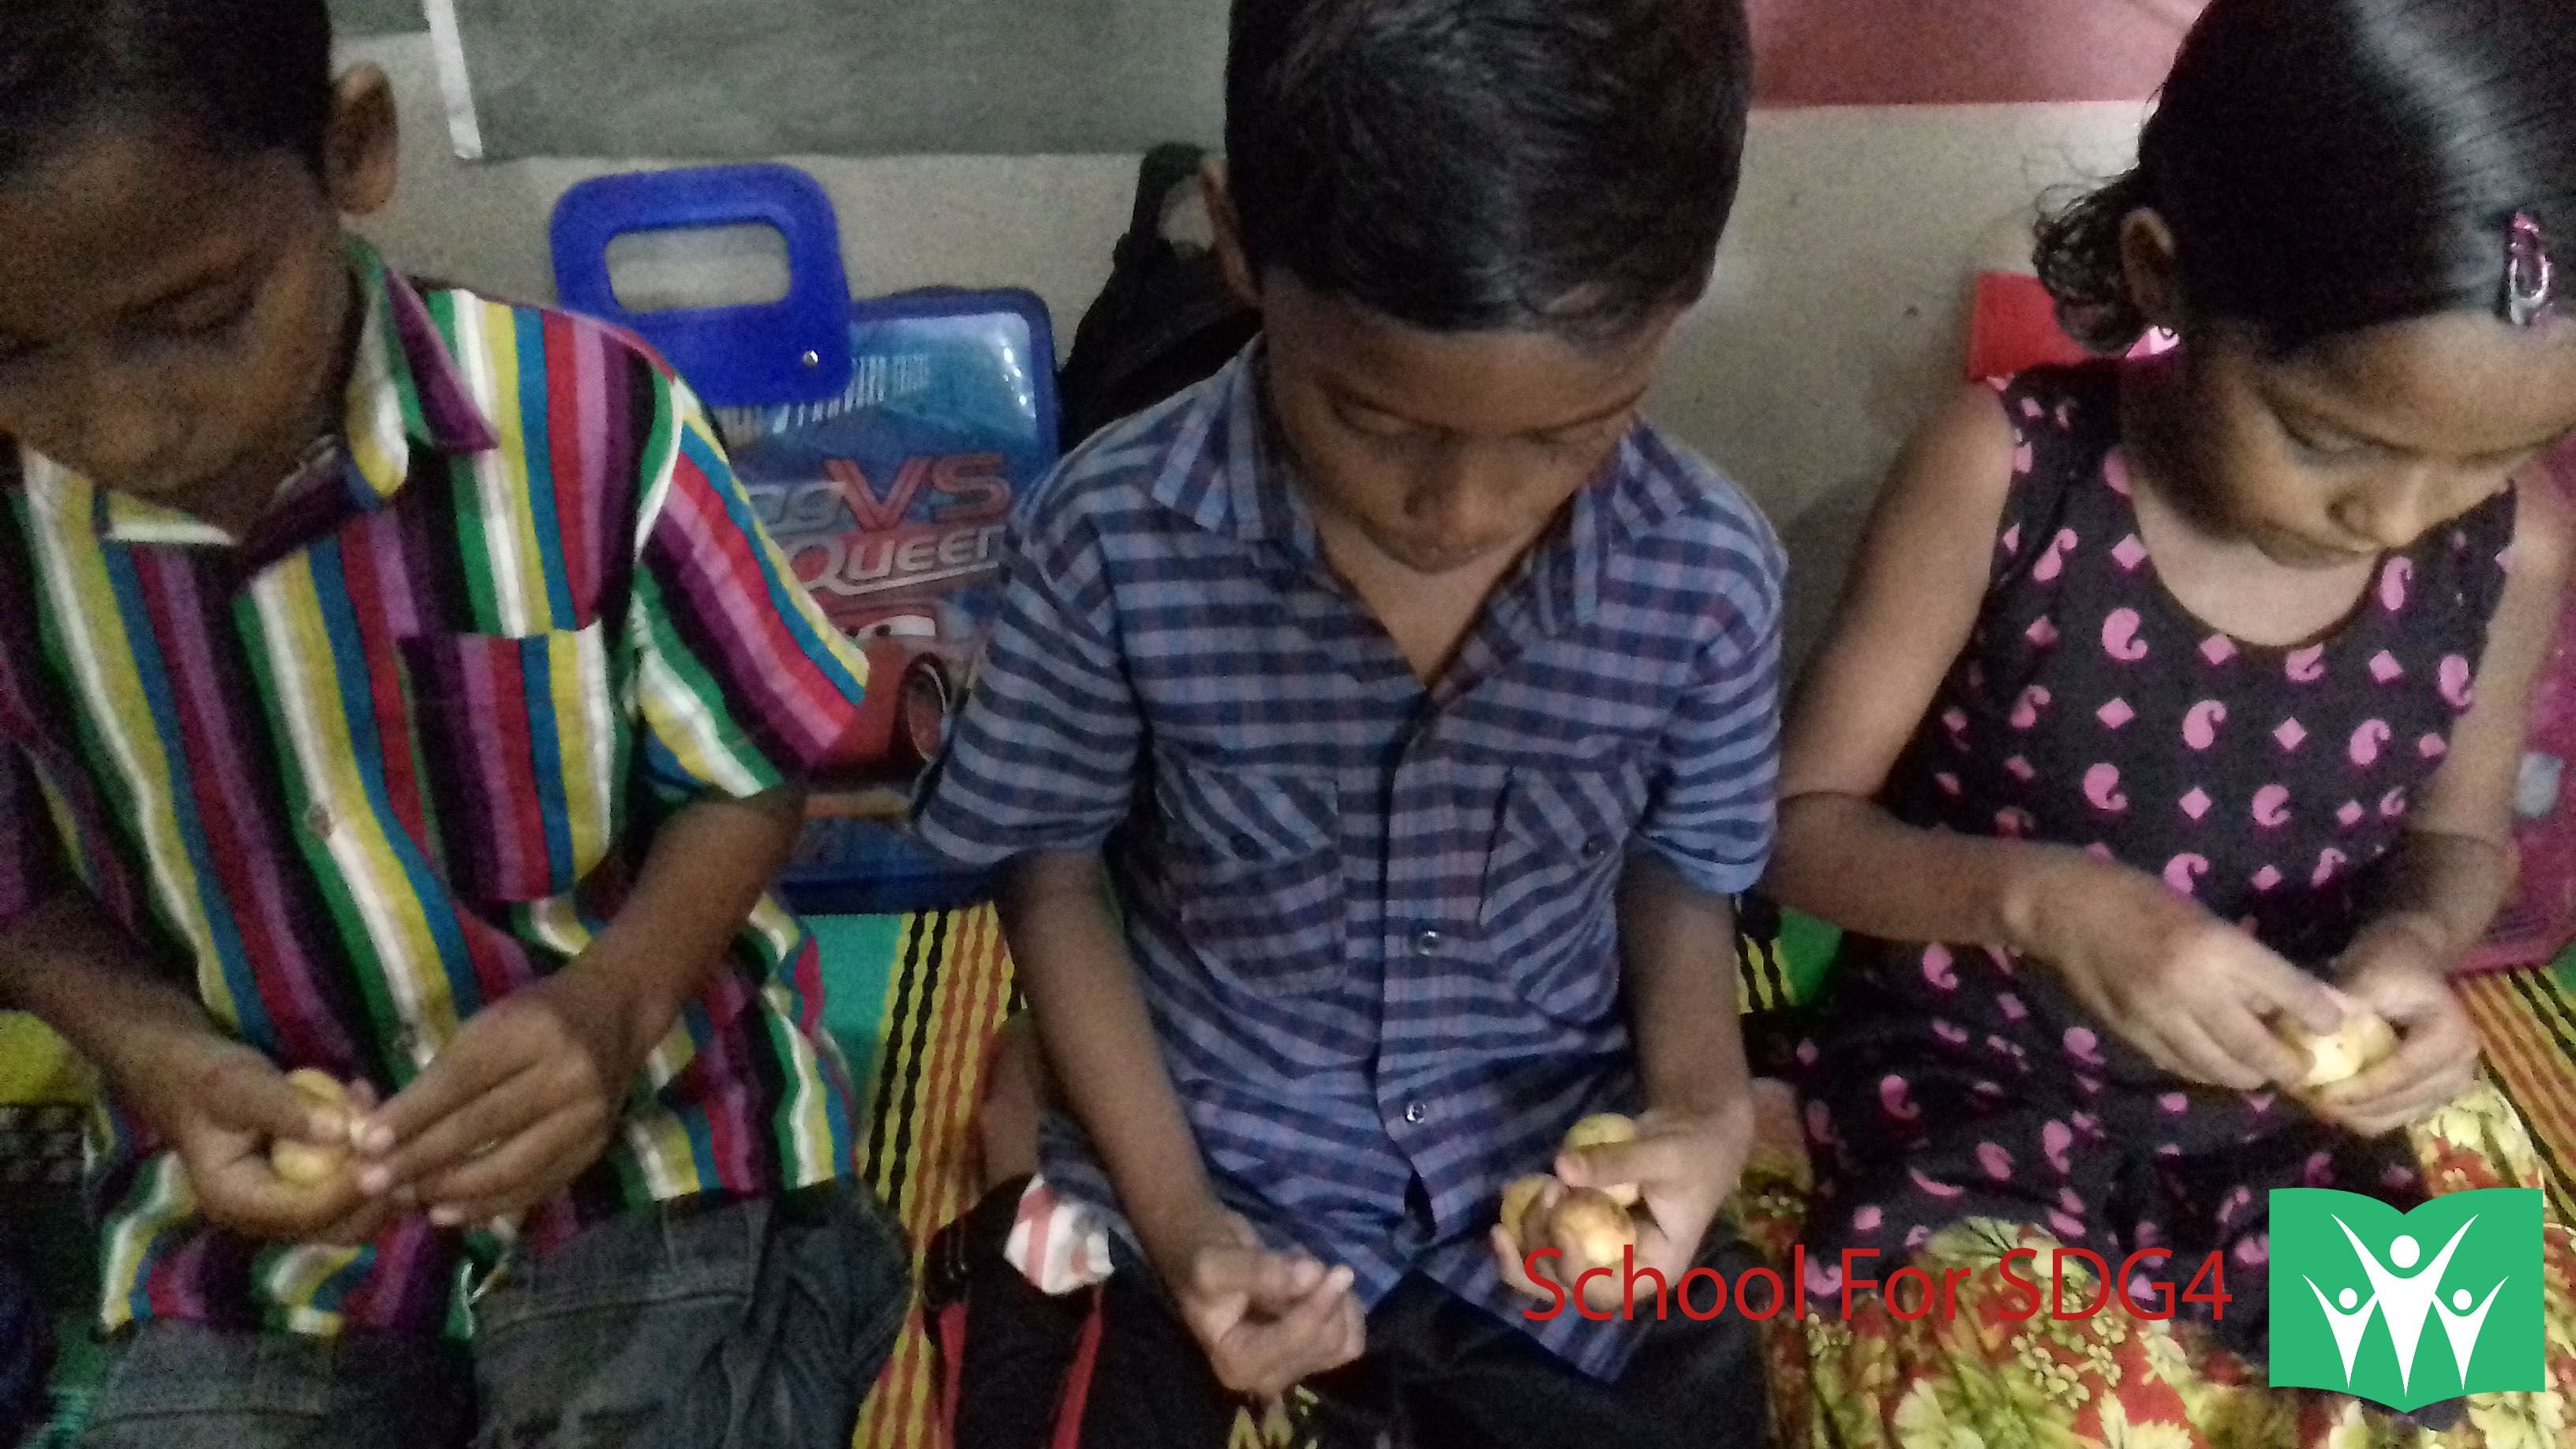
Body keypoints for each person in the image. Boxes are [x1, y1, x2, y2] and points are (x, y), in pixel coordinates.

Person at [0, 3, 908, 1446]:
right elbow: (22, 901)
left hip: (655, 1144)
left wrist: (609, 1007)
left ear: (354, 150)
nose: (127, 428)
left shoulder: (589, 424)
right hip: (252, 1245)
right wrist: (162, 1057)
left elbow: (751, 776)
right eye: (20, 355)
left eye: (198, 317)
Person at [912, 1, 1780, 1444]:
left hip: (1541, 1175)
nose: (1464, 511)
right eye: (1377, 421)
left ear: (1677, 311)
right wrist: (1183, 1226)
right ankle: (1035, 1153)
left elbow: (1685, 878)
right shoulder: (1114, 536)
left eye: (1569, 436)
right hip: (1200, 1152)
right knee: (1042, 1395)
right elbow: (1051, 871)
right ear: (1239, 242)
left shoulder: (1707, 570)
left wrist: (1705, 1114)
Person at [1751, 1, 2576, 1443]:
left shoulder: (2517, 551)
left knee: (2475, 1410)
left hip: (2305, 1127)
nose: (2394, 519)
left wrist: (2413, 950)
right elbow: (1795, 833)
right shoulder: (2007, 475)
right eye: (2331, 439)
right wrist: (2056, 906)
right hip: (1982, 1082)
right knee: (2018, 1413)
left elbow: (2460, 843)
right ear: (2163, 277)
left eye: (2491, 455)